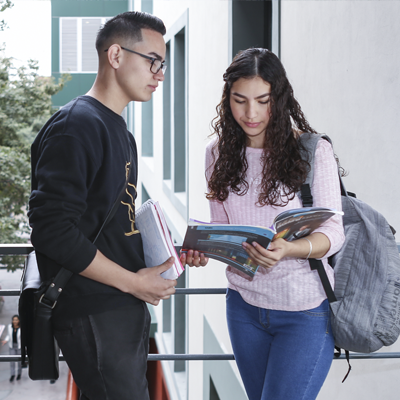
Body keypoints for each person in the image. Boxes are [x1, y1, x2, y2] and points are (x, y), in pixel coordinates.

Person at [28, 12, 179, 400]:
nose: (160, 73)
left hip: (120, 306)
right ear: (115, 55)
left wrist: (169, 254)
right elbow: (51, 229)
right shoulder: (76, 126)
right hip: (94, 310)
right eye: (153, 60)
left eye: (162, 63)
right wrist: (134, 282)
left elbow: (114, 222)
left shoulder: (119, 131)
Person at [203, 48, 345, 400]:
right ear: (227, 99)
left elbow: (333, 233)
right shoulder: (216, 153)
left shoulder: (312, 151)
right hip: (243, 308)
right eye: (239, 100)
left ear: (278, 99)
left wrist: (289, 250)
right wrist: (205, 248)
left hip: (304, 313)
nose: (251, 114)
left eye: (263, 101)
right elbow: (221, 224)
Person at [3, 315, 22, 382]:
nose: (15, 321)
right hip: (12, 346)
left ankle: (19, 373)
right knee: (12, 361)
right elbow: (8, 335)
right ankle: (12, 374)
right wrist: (5, 340)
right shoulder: (9, 327)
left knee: (19, 362)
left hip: (19, 347)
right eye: (14, 320)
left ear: (19, 321)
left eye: (16, 320)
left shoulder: (21, 328)